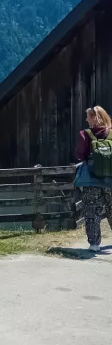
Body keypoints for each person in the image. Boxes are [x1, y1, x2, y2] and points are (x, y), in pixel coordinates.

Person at [74, 106, 112, 253]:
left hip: (91, 180)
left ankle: (94, 244)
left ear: (95, 117)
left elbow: (80, 154)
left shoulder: (86, 134)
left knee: (92, 211)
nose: (86, 119)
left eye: (88, 117)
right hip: (111, 180)